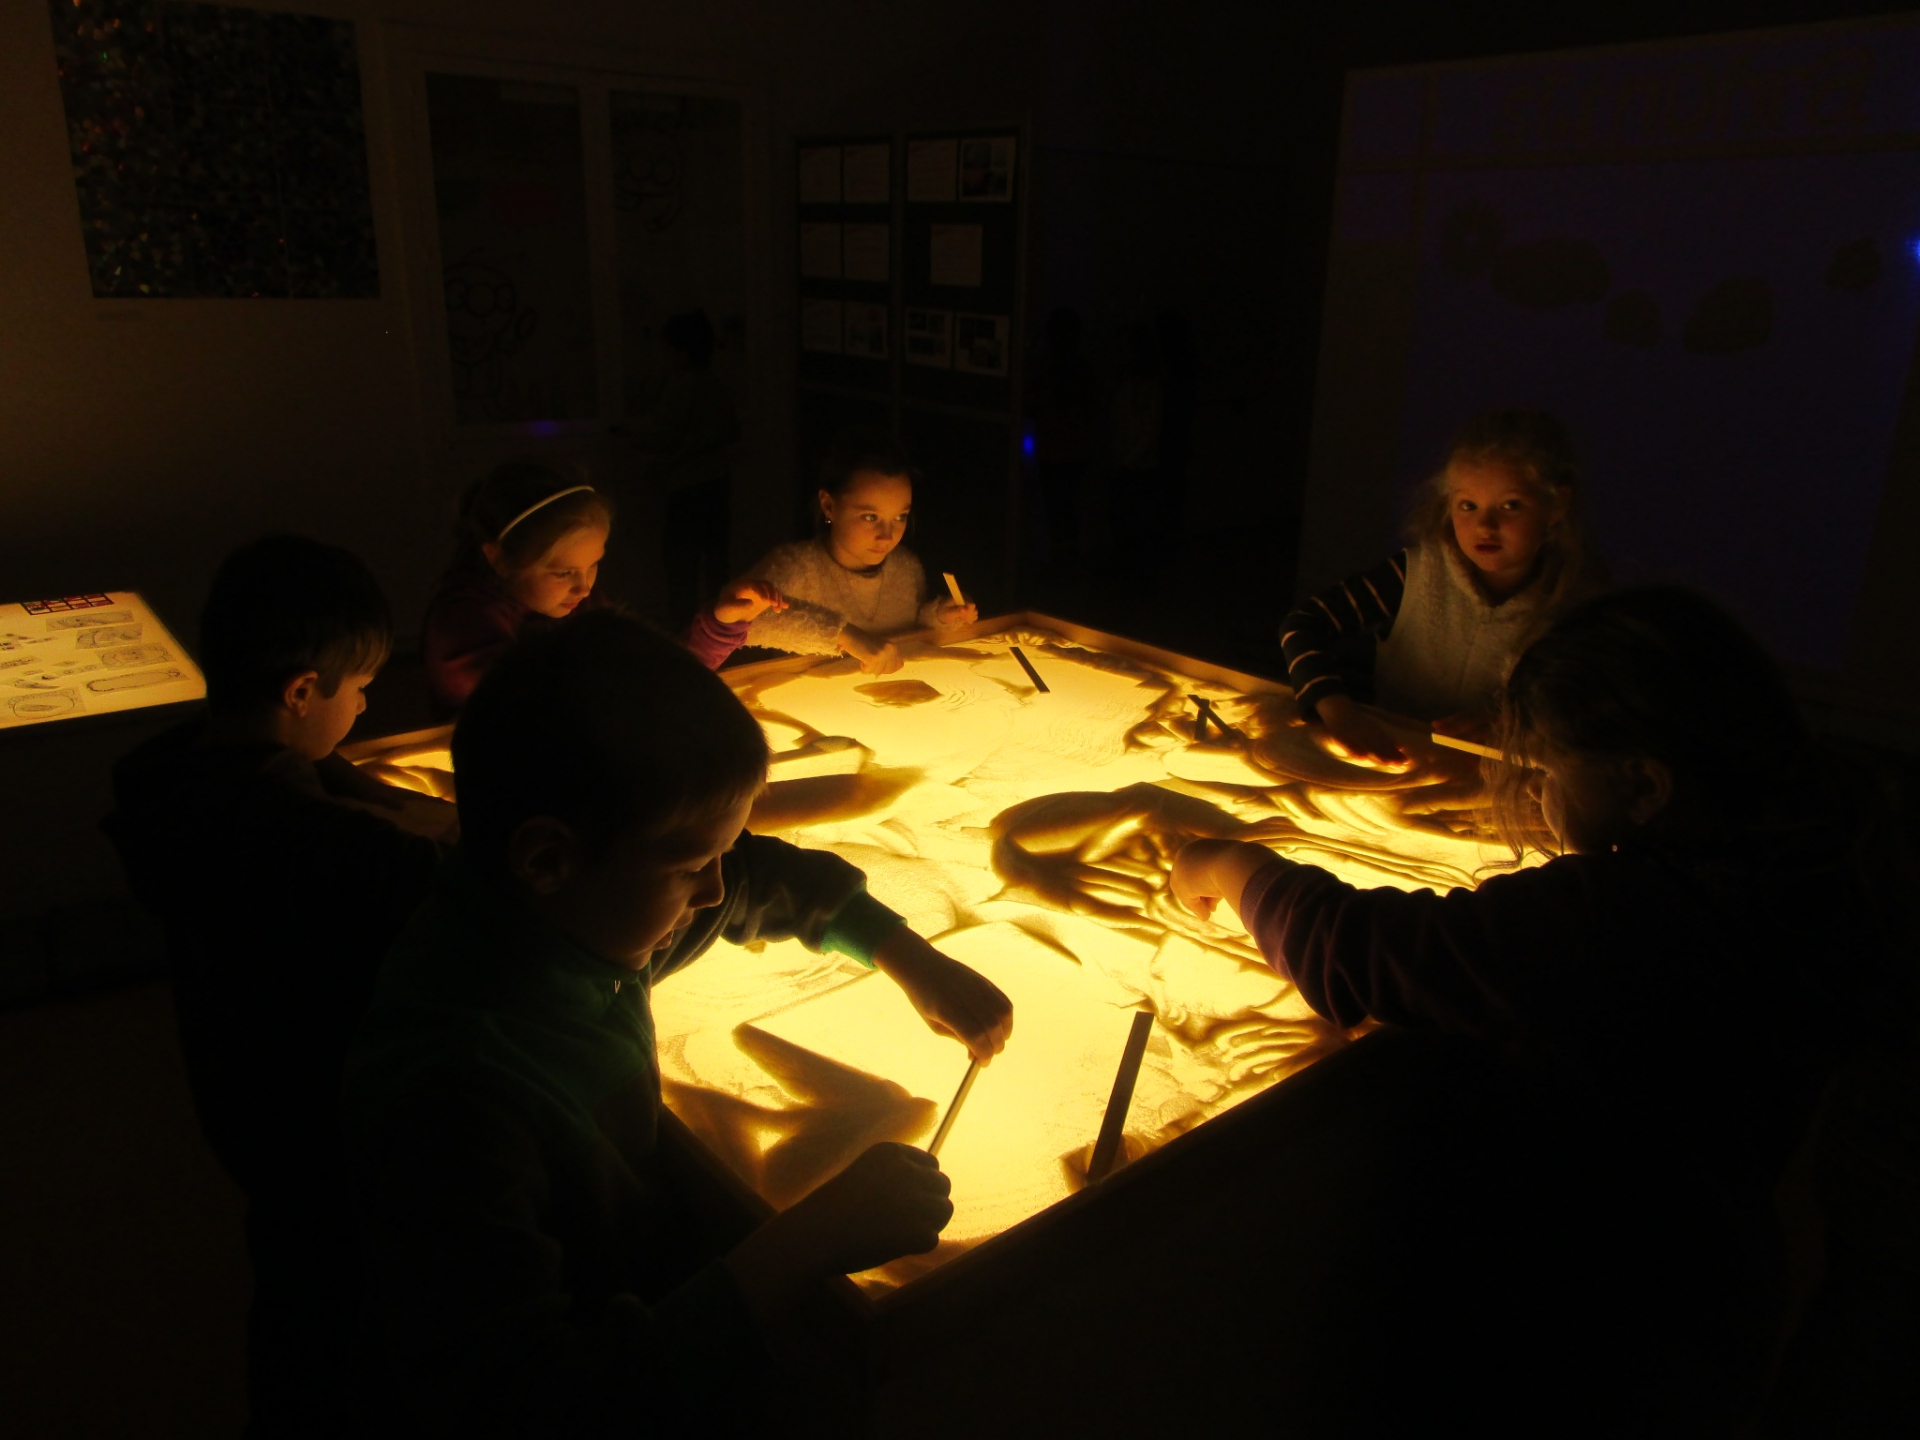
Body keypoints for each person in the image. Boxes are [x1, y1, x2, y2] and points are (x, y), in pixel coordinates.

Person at [1173, 587, 1907, 1424]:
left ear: (1644, 786)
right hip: (1727, 1261)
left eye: (1553, 771)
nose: (1538, 792)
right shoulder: (1813, 838)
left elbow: (1360, 955)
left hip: (1602, 1305)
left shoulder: (1633, 918)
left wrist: (1231, 865)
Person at [343, 609, 1014, 1434]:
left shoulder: (571, 924)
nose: (713, 890)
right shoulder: (454, 1096)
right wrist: (800, 1248)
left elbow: (758, 879)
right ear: (548, 857)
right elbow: (530, 1405)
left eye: (716, 856)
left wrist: (906, 955)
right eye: (694, 865)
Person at [104, 536, 456, 1439]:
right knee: (338, 1306)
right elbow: (454, 894)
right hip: (322, 1117)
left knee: (295, 1275)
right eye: (361, 687)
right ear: (302, 691)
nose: (368, 702)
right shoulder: (317, 846)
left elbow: (296, 774)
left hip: (244, 1092)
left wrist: (375, 794)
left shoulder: (181, 775)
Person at [1279, 409, 1600, 770]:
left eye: (1511, 506)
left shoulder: (1573, 609)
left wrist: (1510, 726)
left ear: (1556, 505)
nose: (1485, 525)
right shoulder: (1418, 574)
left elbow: (1586, 714)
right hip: (1389, 761)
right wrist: (1339, 713)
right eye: (1468, 506)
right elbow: (1304, 623)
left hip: (1494, 780)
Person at [422, 460, 783, 718]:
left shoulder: (584, 605)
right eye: (564, 573)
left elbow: (655, 676)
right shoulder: (461, 625)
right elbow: (547, 709)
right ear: (499, 558)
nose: (583, 586)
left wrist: (722, 623)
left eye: (593, 565)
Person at [744, 429, 976, 675]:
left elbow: (910, 629)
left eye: (900, 517)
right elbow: (744, 621)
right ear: (829, 506)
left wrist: (940, 617)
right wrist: (845, 636)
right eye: (870, 517)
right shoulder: (795, 566)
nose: (887, 536)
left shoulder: (905, 567)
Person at [630, 309, 744, 629]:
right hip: (716, 482)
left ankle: (683, 626)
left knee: (681, 560)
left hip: (687, 487)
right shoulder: (715, 384)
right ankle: (720, 623)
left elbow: (665, 434)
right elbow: (732, 429)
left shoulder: (682, 386)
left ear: (680, 351)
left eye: (666, 349)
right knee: (715, 559)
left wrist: (633, 436)